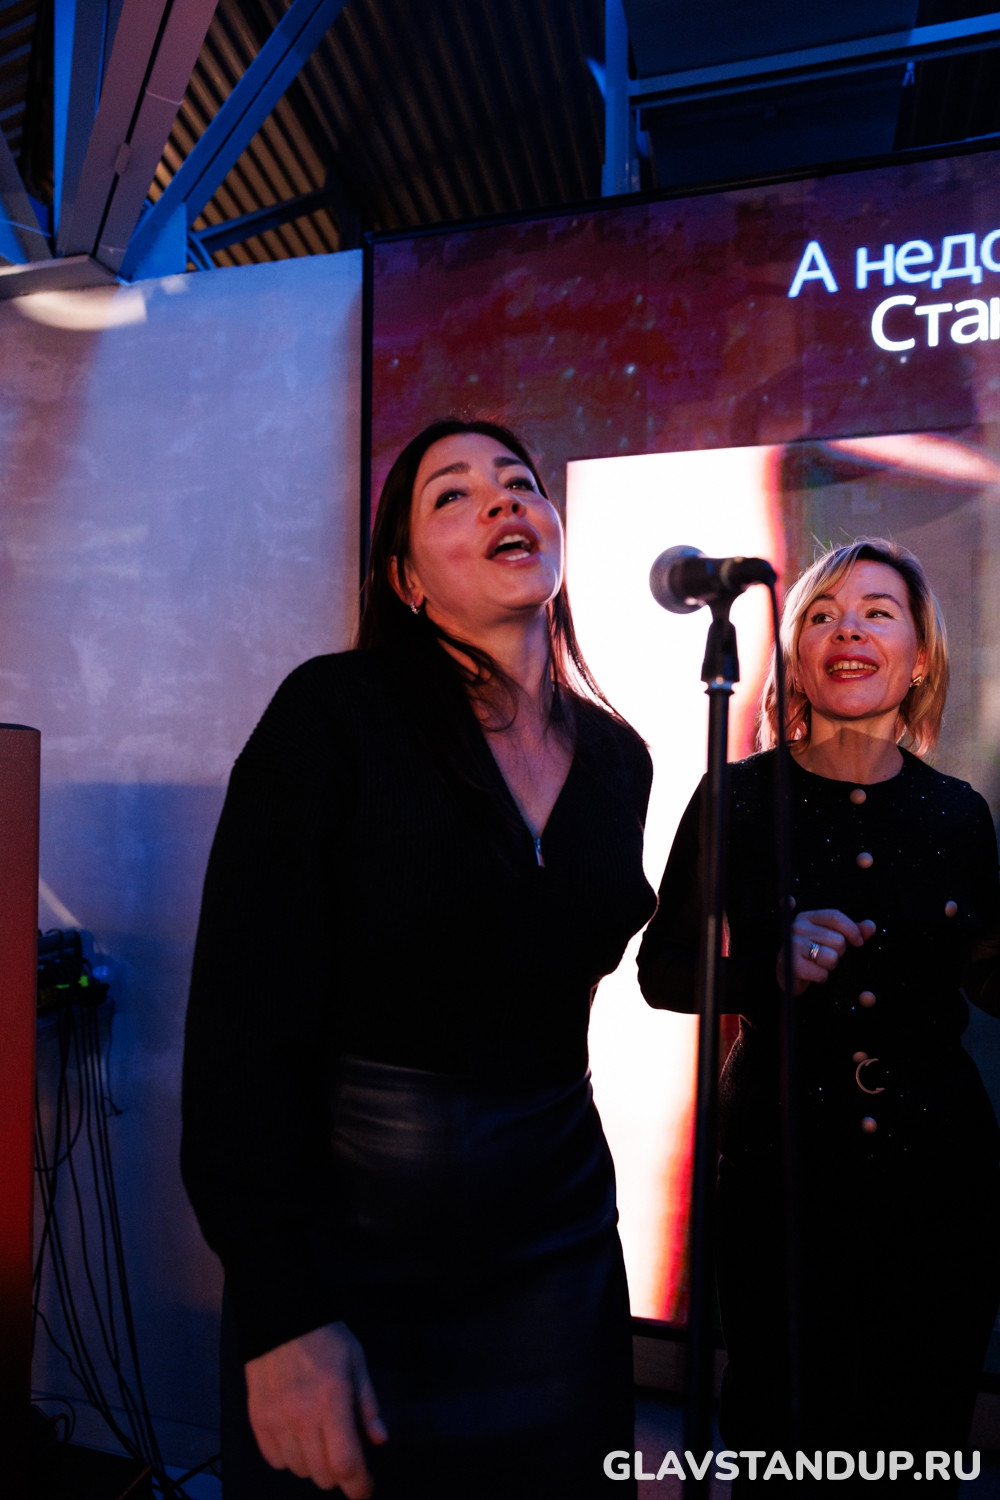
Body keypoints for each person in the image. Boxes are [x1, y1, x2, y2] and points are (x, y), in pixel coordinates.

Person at [181, 418, 656, 1498]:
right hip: (355, 1250)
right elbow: (239, 1032)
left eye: (518, 481)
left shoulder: (617, 758)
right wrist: (283, 1312)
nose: (501, 500)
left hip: (559, 1250)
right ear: (404, 580)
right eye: (452, 494)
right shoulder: (333, 715)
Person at [637, 539, 1000, 1490]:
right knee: (782, 1436)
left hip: (942, 1177)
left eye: (878, 612)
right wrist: (766, 970)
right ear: (796, 656)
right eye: (824, 613)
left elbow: (987, 975)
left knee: (921, 1434)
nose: (849, 630)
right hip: (782, 1175)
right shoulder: (737, 796)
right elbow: (662, 970)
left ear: (919, 657)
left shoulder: (960, 814)